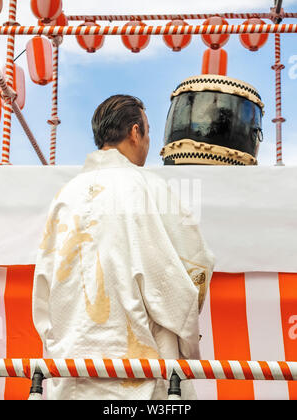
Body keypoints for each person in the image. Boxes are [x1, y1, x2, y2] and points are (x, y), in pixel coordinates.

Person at [32, 94, 215, 400]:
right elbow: (193, 264)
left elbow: (45, 286)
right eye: (147, 131)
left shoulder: (65, 196)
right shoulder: (149, 187)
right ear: (134, 132)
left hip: (73, 364)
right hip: (139, 367)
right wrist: (187, 340)